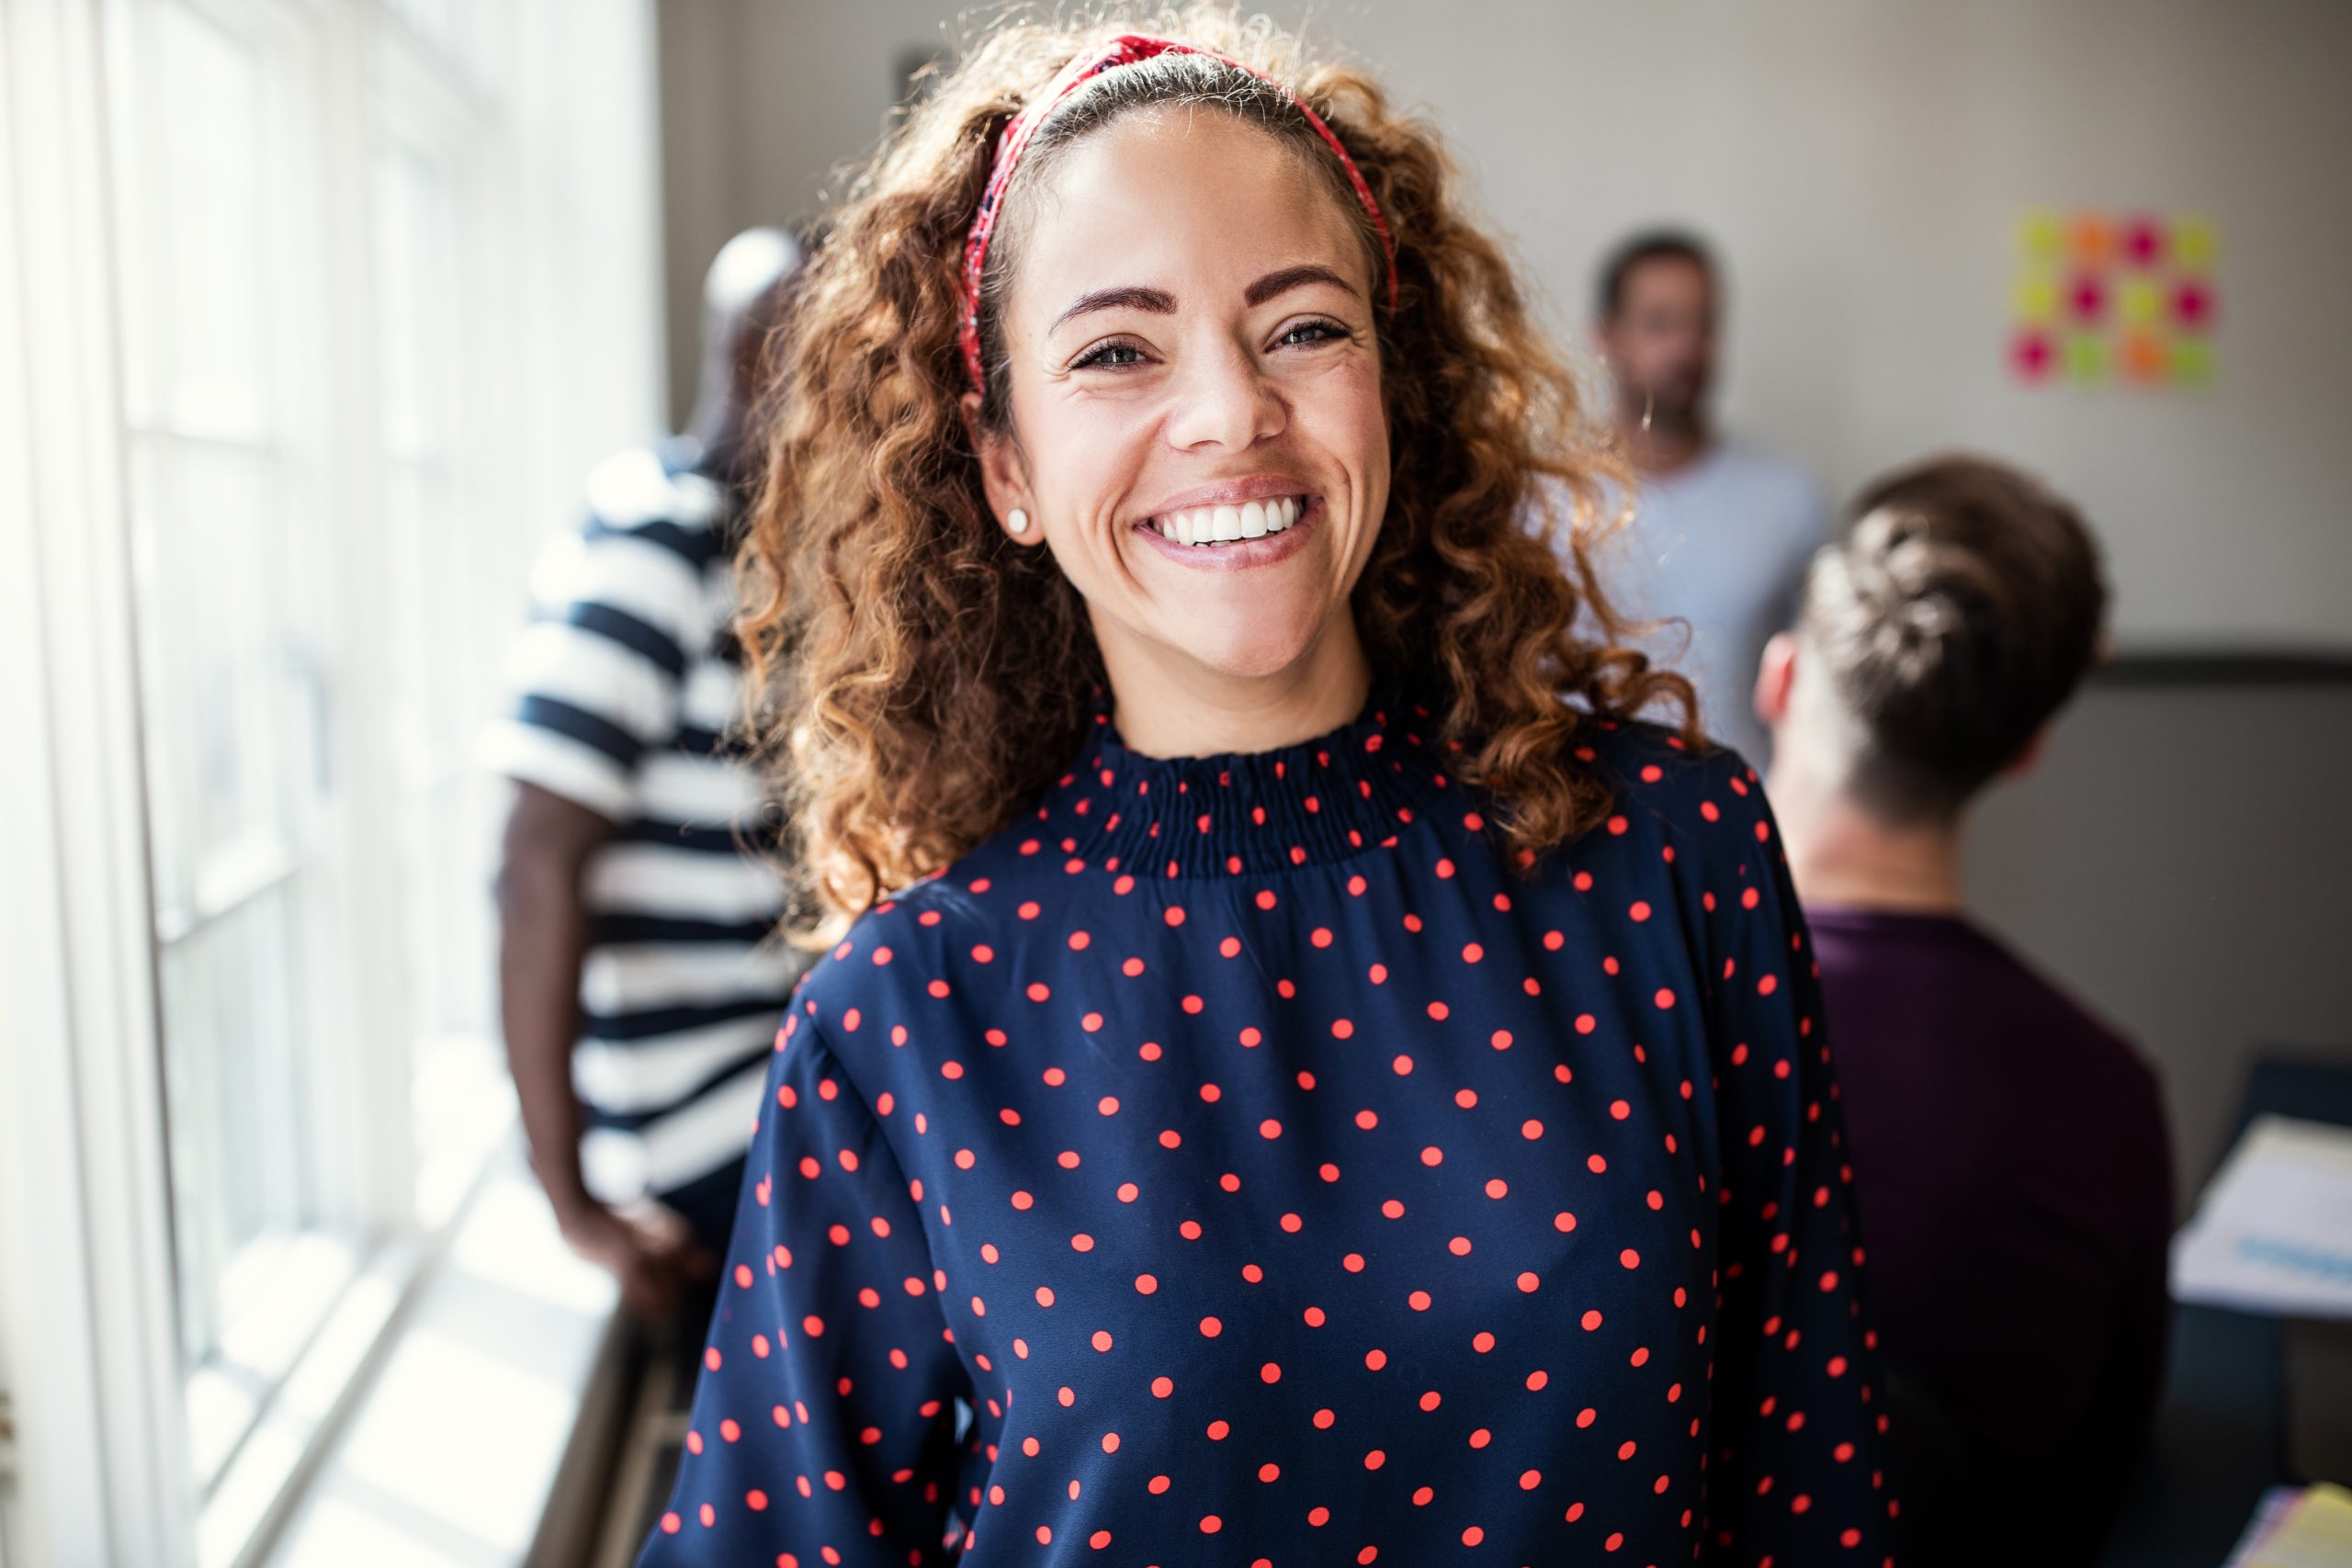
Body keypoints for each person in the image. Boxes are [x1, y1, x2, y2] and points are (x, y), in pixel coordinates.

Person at [639, 15, 1893, 1564]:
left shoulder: (1667, 857)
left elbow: (1818, 1481)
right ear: (1008, 467)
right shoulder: (906, 1017)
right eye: (1115, 350)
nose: (1232, 410)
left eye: (1302, 327)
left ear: (1396, 381)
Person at [1755, 454, 2172, 1564]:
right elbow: (2106, 1489)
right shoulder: (2108, 1102)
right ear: (2025, 751)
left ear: (1780, 682)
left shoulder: (1621, 1028)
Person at [485, 227, 808, 1322]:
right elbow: (534, 862)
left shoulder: (754, 553)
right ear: (759, 360)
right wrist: (570, 1203)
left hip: (767, 1081)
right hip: (700, 1117)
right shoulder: (652, 539)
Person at [1594, 231, 1827, 766]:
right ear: (1605, 337)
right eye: (1660, 324)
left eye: (1704, 324)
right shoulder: (1539, 499)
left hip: (1746, 824)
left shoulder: (1788, 499)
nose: (1686, 347)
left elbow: (1823, 697)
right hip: (1579, 829)